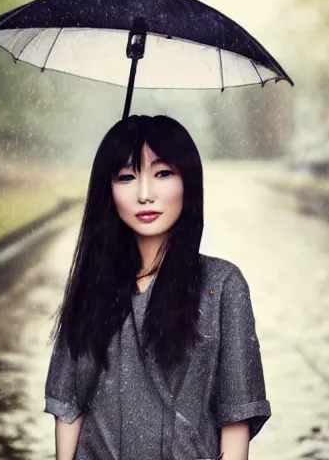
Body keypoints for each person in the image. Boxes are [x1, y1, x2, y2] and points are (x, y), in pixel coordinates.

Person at [44, 115, 271, 460]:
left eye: (162, 173)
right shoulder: (92, 287)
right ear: (108, 189)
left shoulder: (223, 286)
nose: (145, 194)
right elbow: (68, 406)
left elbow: (236, 417)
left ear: (188, 181)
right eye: (126, 176)